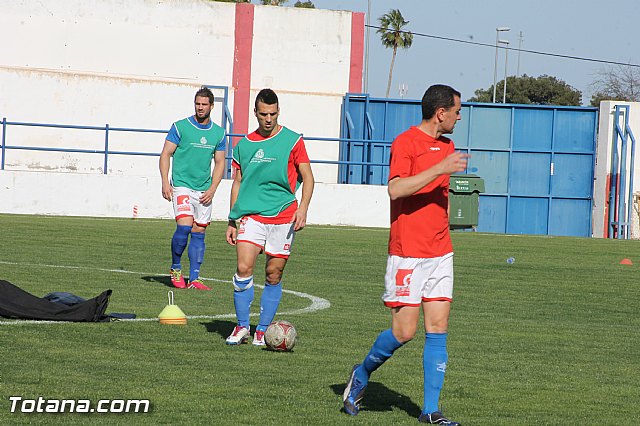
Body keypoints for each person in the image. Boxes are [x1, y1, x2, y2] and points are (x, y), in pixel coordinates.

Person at [342, 84, 469, 425]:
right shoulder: (406, 142)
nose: (460, 116)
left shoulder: (447, 145)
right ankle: (363, 372)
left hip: (440, 251)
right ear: (440, 112)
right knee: (404, 332)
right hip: (408, 253)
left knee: (438, 328)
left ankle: (430, 410)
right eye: (457, 110)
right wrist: (440, 169)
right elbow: (396, 188)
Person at [225, 88, 314, 346]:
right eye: (263, 114)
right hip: (251, 216)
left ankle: (262, 330)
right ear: (255, 112)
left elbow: (308, 178)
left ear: (278, 112)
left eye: (273, 114)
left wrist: (303, 208)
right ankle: (242, 326)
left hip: (283, 216)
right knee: (243, 268)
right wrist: (232, 219)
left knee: (273, 274)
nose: (268, 119)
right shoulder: (244, 145)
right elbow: (237, 183)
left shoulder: (293, 141)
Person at [159, 87, 226, 290]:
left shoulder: (219, 133)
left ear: (212, 106)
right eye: (197, 104)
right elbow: (165, 154)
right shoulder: (180, 127)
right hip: (182, 186)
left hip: (204, 189)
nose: (200, 108)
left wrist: (213, 188)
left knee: (199, 232)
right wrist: (165, 182)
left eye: (204, 104)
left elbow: (220, 162)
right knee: (185, 226)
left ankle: (195, 278)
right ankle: (176, 268)